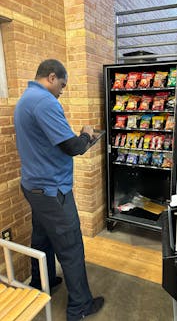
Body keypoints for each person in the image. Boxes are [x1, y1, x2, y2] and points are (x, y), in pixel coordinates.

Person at [14, 59, 104, 321]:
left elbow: (52, 142)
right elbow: (73, 147)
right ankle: (79, 307)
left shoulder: (26, 98)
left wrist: (78, 139)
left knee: (42, 237)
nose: (62, 90)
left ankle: (43, 280)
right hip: (53, 191)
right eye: (62, 85)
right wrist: (87, 134)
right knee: (71, 246)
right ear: (51, 77)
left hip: (33, 186)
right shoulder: (45, 102)